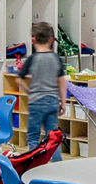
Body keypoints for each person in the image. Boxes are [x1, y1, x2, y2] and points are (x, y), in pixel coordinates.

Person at [19, 22, 68, 151]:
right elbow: (62, 81)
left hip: (36, 102)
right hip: (52, 101)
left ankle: (34, 164)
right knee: (52, 137)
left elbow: (19, 80)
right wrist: (63, 102)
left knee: (33, 136)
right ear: (51, 40)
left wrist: (29, 92)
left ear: (32, 40)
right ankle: (56, 164)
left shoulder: (32, 58)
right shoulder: (55, 57)